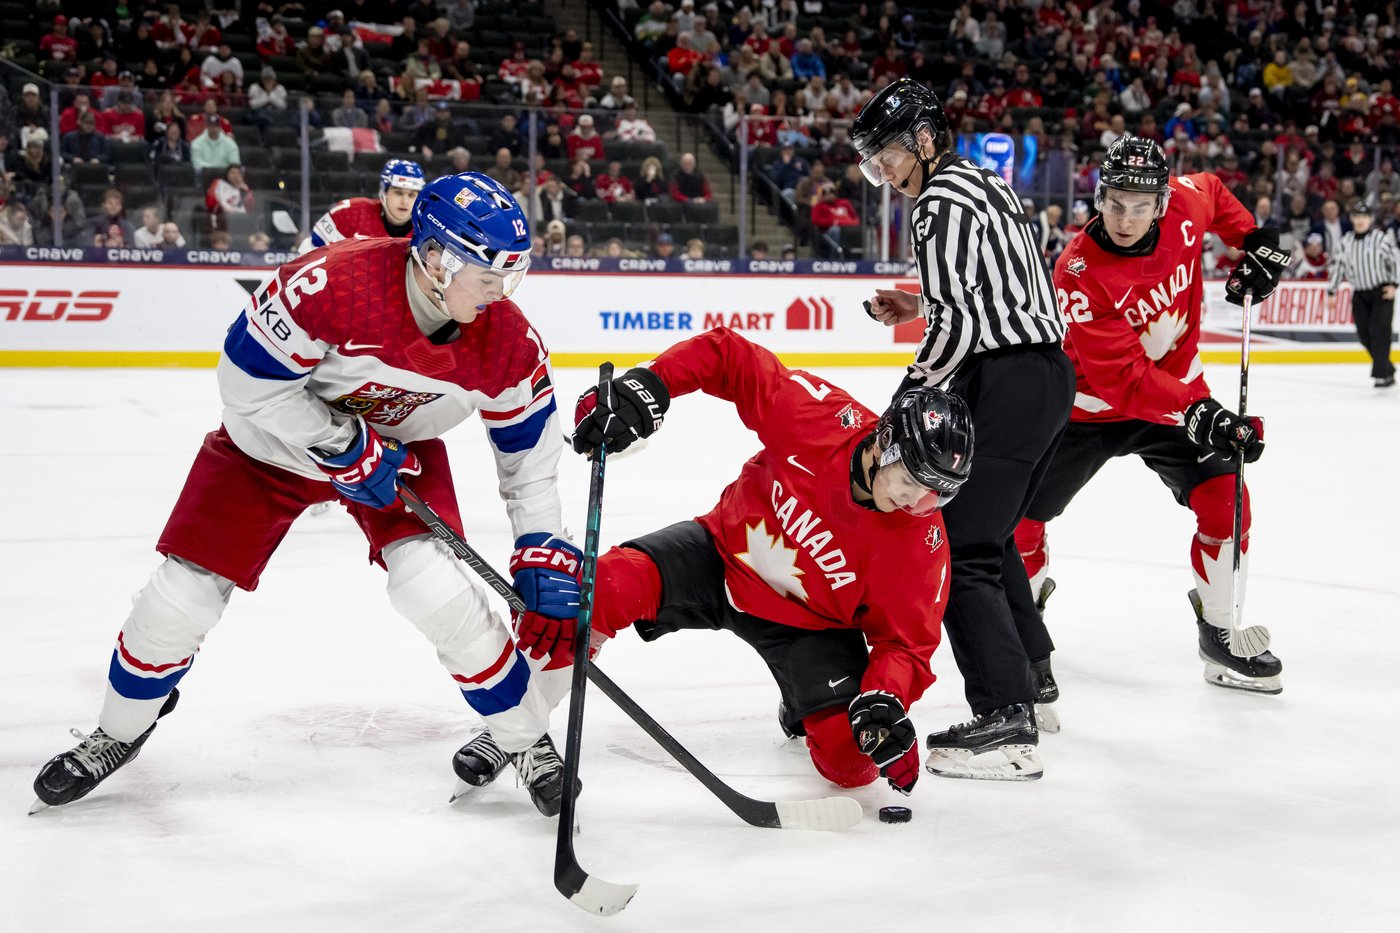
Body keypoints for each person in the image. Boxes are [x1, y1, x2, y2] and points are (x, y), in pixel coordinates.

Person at [32, 173, 578, 818]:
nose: (500, 294)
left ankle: (525, 739)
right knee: (177, 600)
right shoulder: (332, 283)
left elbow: (530, 464)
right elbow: (245, 387)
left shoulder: (510, 342)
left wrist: (541, 549)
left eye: (508, 278)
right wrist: (342, 445)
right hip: (270, 447)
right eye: (489, 276)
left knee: (434, 591)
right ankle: (118, 732)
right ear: (436, 257)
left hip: (397, 456)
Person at [522, 328, 971, 796]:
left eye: (935, 491)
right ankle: (517, 725)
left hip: (810, 626)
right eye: (910, 480)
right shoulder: (816, 417)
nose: (915, 500)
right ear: (884, 445)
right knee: (595, 593)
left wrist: (885, 700)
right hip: (719, 554)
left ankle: (804, 704)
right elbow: (729, 357)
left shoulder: (923, 549)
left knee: (851, 764)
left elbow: (906, 645)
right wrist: (651, 384)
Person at [1011, 135, 1288, 710]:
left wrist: (1255, 241)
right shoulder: (1078, 272)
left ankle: (1219, 632)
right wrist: (1200, 412)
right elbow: (1125, 381)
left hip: (1179, 396)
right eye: (1115, 203)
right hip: (1088, 409)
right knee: (1020, 522)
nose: (1127, 218)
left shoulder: (1187, 202)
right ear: (1099, 198)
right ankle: (1021, 633)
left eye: (1141, 205)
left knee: (1228, 502)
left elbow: (1212, 190)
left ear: (1162, 202)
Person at [851, 77, 1072, 781]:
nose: (882, 170)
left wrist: (906, 398)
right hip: (1047, 376)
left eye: (886, 152)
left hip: (1004, 379)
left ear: (922, 139)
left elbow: (960, 322)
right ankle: (1033, 675)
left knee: (962, 541)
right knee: (994, 529)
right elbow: (991, 286)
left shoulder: (935, 202)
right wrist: (914, 303)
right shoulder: (982, 182)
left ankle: (1007, 716)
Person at [1327, 202, 1400, 388]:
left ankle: (1382, 375)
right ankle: (1388, 368)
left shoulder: (1380, 239)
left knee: (1379, 332)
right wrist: (1332, 291)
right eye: (1357, 216)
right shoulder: (1346, 242)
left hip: (1381, 292)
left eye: (1364, 217)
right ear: (1352, 219)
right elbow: (1338, 267)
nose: (1360, 220)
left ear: (1370, 219)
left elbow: (1395, 261)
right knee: (1364, 335)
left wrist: (1394, 284)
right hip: (1359, 293)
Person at [302, 159, 425, 254]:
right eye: (398, 193)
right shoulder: (350, 214)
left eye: (412, 195)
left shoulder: (428, 229)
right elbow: (309, 252)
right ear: (384, 192)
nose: (405, 201)